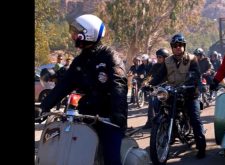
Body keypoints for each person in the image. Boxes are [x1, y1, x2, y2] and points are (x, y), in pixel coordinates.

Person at [40, 14, 128, 165]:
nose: (73, 35)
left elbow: (118, 85)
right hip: (87, 115)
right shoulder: (79, 60)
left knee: (111, 159)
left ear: (88, 33)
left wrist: (118, 114)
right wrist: (44, 106)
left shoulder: (109, 56)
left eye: (76, 31)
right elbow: (64, 85)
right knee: (71, 150)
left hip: (109, 117)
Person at [147, 33, 207, 159]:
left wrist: (190, 83)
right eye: (175, 45)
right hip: (173, 93)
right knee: (162, 107)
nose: (177, 47)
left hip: (190, 94)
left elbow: (196, 75)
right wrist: (149, 84)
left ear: (184, 46)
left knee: (195, 119)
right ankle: (169, 132)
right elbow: (159, 75)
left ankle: (201, 147)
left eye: (180, 45)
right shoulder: (167, 61)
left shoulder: (192, 59)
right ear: (172, 47)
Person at [142, 48, 170, 129]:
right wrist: (145, 82)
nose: (158, 58)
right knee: (152, 103)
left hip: (167, 89)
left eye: (160, 57)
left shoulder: (169, 66)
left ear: (165, 57)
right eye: (157, 57)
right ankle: (150, 122)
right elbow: (149, 75)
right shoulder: (155, 66)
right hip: (157, 88)